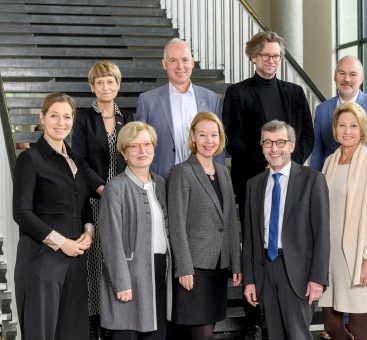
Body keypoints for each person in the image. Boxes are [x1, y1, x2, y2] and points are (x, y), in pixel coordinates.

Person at [222, 31, 314, 338]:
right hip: (253, 181)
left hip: (291, 182)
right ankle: (255, 316)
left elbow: (307, 137)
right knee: (256, 242)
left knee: (292, 241)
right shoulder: (237, 93)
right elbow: (232, 140)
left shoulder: (295, 92)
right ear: (253, 57)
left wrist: (285, 161)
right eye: (265, 56)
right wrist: (267, 164)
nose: (271, 61)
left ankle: (290, 301)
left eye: (276, 56)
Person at [13, 92, 93, 340]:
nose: (61, 123)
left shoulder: (76, 160)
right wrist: (62, 243)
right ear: (42, 118)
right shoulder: (30, 159)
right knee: (42, 333)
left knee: (74, 332)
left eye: (67, 117)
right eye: (54, 116)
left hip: (75, 260)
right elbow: (21, 212)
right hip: (41, 258)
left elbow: (84, 204)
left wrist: (89, 231)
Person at [242, 120, 329, 340]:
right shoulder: (254, 184)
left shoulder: (312, 180)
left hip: (298, 272)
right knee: (274, 335)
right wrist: (250, 280)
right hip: (265, 270)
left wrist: (318, 278)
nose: (274, 149)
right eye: (268, 143)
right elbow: (251, 236)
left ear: (291, 146)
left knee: (298, 335)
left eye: (280, 142)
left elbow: (322, 234)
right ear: (262, 147)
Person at [71, 60, 134, 339]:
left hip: (123, 197)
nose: (106, 86)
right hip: (96, 200)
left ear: (118, 85)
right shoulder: (83, 118)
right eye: (100, 82)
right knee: (96, 259)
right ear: (92, 87)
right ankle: (96, 321)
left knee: (121, 256)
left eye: (111, 81)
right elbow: (79, 159)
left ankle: (119, 314)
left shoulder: (128, 117)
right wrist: (100, 187)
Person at [168, 112, 242, 340]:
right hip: (195, 266)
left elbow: (230, 220)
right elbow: (176, 223)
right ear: (193, 137)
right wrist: (184, 267)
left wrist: (236, 263)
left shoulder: (224, 173)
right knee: (201, 332)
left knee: (208, 329)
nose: (209, 140)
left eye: (214, 134)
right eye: (202, 135)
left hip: (218, 265)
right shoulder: (182, 171)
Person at [318, 102, 367, 340]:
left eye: (353, 126)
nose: (347, 131)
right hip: (329, 256)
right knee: (331, 324)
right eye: (342, 125)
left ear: (362, 129)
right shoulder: (329, 162)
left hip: (357, 256)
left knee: (359, 327)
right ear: (335, 129)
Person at [99, 122, 172, 340]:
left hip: (159, 272)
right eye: (134, 146)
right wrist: (121, 282)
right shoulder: (115, 188)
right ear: (123, 152)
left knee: (156, 334)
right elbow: (111, 241)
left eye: (147, 144)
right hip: (130, 275)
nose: (142, 151)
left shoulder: (160, 183)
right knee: (128, 333)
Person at [136, 38, 223, 179]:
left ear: (192, 62)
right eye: (173, 60)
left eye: (184, 59)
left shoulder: (211, 99)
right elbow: (139, 145)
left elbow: (218, 145)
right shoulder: (147, 101)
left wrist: (219, 178)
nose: (180, 66)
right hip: (162, 178)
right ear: (164, 64)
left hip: (203, 179)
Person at [311, 55, 367, 171]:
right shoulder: (322, 110)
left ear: (361, 78)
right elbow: (317, 156)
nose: (346, 79)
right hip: (331, 183)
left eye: (353, 74)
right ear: (335, 76)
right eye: (341, 73)